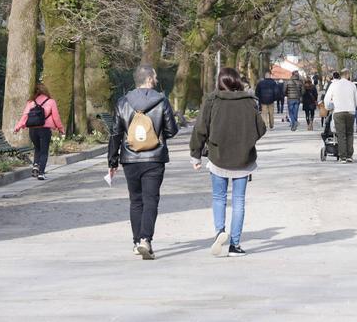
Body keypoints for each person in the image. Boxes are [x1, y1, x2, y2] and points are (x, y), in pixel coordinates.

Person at [190, 67, 266, 258]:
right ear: (238, 81)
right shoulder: (249, 101)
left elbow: (200, 128)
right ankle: (235, 245)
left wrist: (196, 154)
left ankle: (219, 233)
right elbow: (261, 128)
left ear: (219, 81)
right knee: (238, 201)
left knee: (219, 197)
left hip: (218, 156)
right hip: (243, 159)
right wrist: (247, 141)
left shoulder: (212, 100)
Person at [107, 65, 179, 260]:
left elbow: (115, 133)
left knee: (135, 200)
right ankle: (146, 239)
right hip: (154, 158)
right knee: (151, 199)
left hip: (130, 158)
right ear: (148, 79)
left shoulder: (123, 102)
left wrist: (112, 161)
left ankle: (136, 241)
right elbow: (172, 130)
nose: (155, 80)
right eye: (154, 77)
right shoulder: (161, 101)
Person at [13, 82, 65, 180]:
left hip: (32, 130)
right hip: (44, 130)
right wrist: (61, 129)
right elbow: (56, 117)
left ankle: (36, 165)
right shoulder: (51, 101)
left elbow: (25, 116)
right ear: (45, 91)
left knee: (37, 148)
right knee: (44, 151)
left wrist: (18, 127)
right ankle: (41, 173)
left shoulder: (31, 102)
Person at [323, 69, 357, 163]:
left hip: (338, 111)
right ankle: (349, 155)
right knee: (349, 133)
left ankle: (342, 156)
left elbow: (327, 99)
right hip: (350, 111)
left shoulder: (334, 84)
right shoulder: (352, 85)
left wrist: (328, 108)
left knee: (341, 134)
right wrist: (352, 107)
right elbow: (356, 99)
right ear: (348, 75)